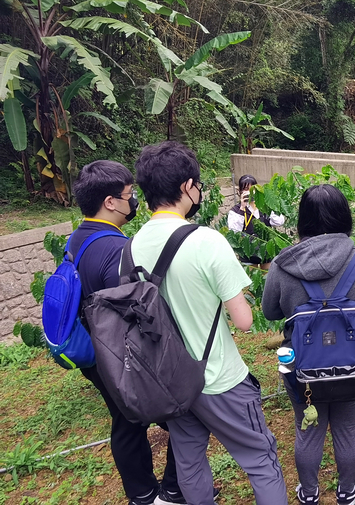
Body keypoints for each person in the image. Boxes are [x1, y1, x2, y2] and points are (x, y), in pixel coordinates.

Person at [132, 141, 287, 505]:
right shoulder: (206, 241)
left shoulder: (133, 245)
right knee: (260, 460)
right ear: (187, 187)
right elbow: (245, 320)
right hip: (218, 378)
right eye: (198, 184)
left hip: (171, 380)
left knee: (189, 462)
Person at [70, 160, 193, 505]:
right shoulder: (113, 249)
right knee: (184, 415)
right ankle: (174, 489)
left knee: (126, 422)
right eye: (128, 195)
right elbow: (133, 304)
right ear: (110, 202)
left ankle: (142, 494)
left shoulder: (79, 238)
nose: (133, 201)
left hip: (95, 352)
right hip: (119, 353)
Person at [262, 184, 355, 505]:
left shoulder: (281, 266)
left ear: (302, 220)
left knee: (308, 429)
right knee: (348, 429)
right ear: (344, 217)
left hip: (301, 370)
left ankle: (308, 492)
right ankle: (347, 490)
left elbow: (270, 311)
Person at [228, 174, 285, 265]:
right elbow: (234, 231)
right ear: (240, 191)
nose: (250, 192)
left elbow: (279, 222)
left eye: (252, 189)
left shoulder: (263, 207)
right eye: (246, 189)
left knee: (267, 277)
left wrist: (270, 203)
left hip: (266, 254)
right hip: (248, 257)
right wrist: (242, 208)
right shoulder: (235, 211)